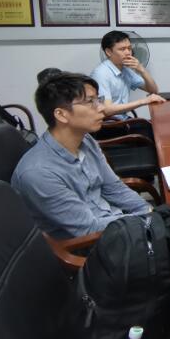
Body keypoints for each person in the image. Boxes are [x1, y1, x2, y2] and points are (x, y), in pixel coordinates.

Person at [11, 72, 151, 239]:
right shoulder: (39, 173)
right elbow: (88, 229)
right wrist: (144, 221)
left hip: (117, 224)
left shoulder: (85, 140)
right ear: (61, 114)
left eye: (98, 99)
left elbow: (113, 187)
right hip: (91, 244)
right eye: (90, 101)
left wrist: (147, 211)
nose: (101, 108)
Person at [90, 31, 165, 121]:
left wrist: (142, 70)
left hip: (122, 119)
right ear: (108, 52)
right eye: (122, 49)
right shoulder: (101, 74)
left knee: (157, 123)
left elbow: (153, 90)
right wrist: (143, 101)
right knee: (154, 127)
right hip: (109, 124)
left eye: (129, 48)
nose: (128, 53)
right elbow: (107, 110)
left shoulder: (125, 69)